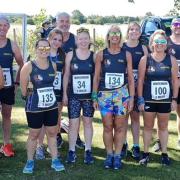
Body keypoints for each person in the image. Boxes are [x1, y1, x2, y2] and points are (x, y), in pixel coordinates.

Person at [93, 25, 134, 170]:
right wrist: (94, 97)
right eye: (112, 33)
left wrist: (132, 97)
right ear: (108, 36)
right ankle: (109, 155)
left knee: (120, 126)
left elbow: (130, 78)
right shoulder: (101, 54)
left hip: (122, 95)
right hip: (104, 95)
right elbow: (96, 77)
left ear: (120, 36)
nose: (115, 35)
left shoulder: (126, 54)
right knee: (108, 126)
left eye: (118, 33)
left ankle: (117, 156)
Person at [20, 38, 65, 173]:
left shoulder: (54, 65)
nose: (44, 50)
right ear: (36, 49)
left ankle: (55, 160)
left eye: (47, 48)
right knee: (34, 134)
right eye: (41, 47)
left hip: (51, 105)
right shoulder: (28, 66)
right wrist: (29, 92)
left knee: (52, 132)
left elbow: (50, 84)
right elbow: (23, 90)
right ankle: (29, 161)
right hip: (34, 106)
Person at [138, 30, 178, 166]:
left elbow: (175, 81)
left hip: (165, 100)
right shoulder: (145, 59)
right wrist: (140, 99)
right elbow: (140, 81)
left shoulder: (171, 59)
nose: (160, 44)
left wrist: (174, 99)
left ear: (166, 44)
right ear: (152, 44)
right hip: (149, 99)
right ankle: (145, 153)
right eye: (157, 42)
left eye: (163, 42)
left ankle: (164, 153)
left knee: (163, 126)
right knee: (148, 126)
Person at [63, 27, 95, 164]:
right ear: (77, 40)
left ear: (89, 40)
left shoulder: (94, 55)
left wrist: (94, 96)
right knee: (73, 123)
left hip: (88, 97)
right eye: (80, 38)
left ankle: (88, 150)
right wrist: (64, 93)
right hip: (74, 96)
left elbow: (96, 76)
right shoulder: (71, 55)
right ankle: (71, 151)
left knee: (88, 122)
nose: (83, 41)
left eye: (85, 38)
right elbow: (66, 75)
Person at [35, 28, 65, 159]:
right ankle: (39, 146)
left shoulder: (63, 55)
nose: (56, 42)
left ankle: (51, 145)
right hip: (43, 92)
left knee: (55, 120)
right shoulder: (43, 53)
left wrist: (64, 94)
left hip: (57, 93)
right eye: (54, 39)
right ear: (49, 39)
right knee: (41, 121)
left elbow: (65, 75)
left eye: (59, 40)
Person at [56, 12, 85, 149]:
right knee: (57, 109)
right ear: (57, 22)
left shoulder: (75, 39)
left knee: (75, 111)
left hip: (74, 81)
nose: (64, 24)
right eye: (61, 21)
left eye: (67, 21)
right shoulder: (53, 38)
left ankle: (76, 136)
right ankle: (56, 136)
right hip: (56, 81)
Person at [121, 22, 148, 160]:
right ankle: (123, 143)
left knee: (136, 118)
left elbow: (148, 67)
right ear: (128, 31)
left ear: (140, 32)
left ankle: (136, 145)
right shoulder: (121, 46)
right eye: (132, 29)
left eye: (137, 29)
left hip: (138, 88)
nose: (134, 31)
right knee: (123, 117)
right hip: (123, 88)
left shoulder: (143, 48)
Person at [153, 18, 180, 151]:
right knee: (162, 114)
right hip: (167, 84)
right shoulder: (166, 40)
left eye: (179, 24)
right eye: (175, 24)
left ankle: (179, 139)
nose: (177, 26)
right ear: (171, 26)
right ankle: (159, 141)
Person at [0, 15, 24, 157]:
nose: (2, 28)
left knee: (7, 115)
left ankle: (6, 145)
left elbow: (22, 65)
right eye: (0, 25)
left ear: (8, 27)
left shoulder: (12, 45)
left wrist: (16, 83)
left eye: (5, 26)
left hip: (8, 87)